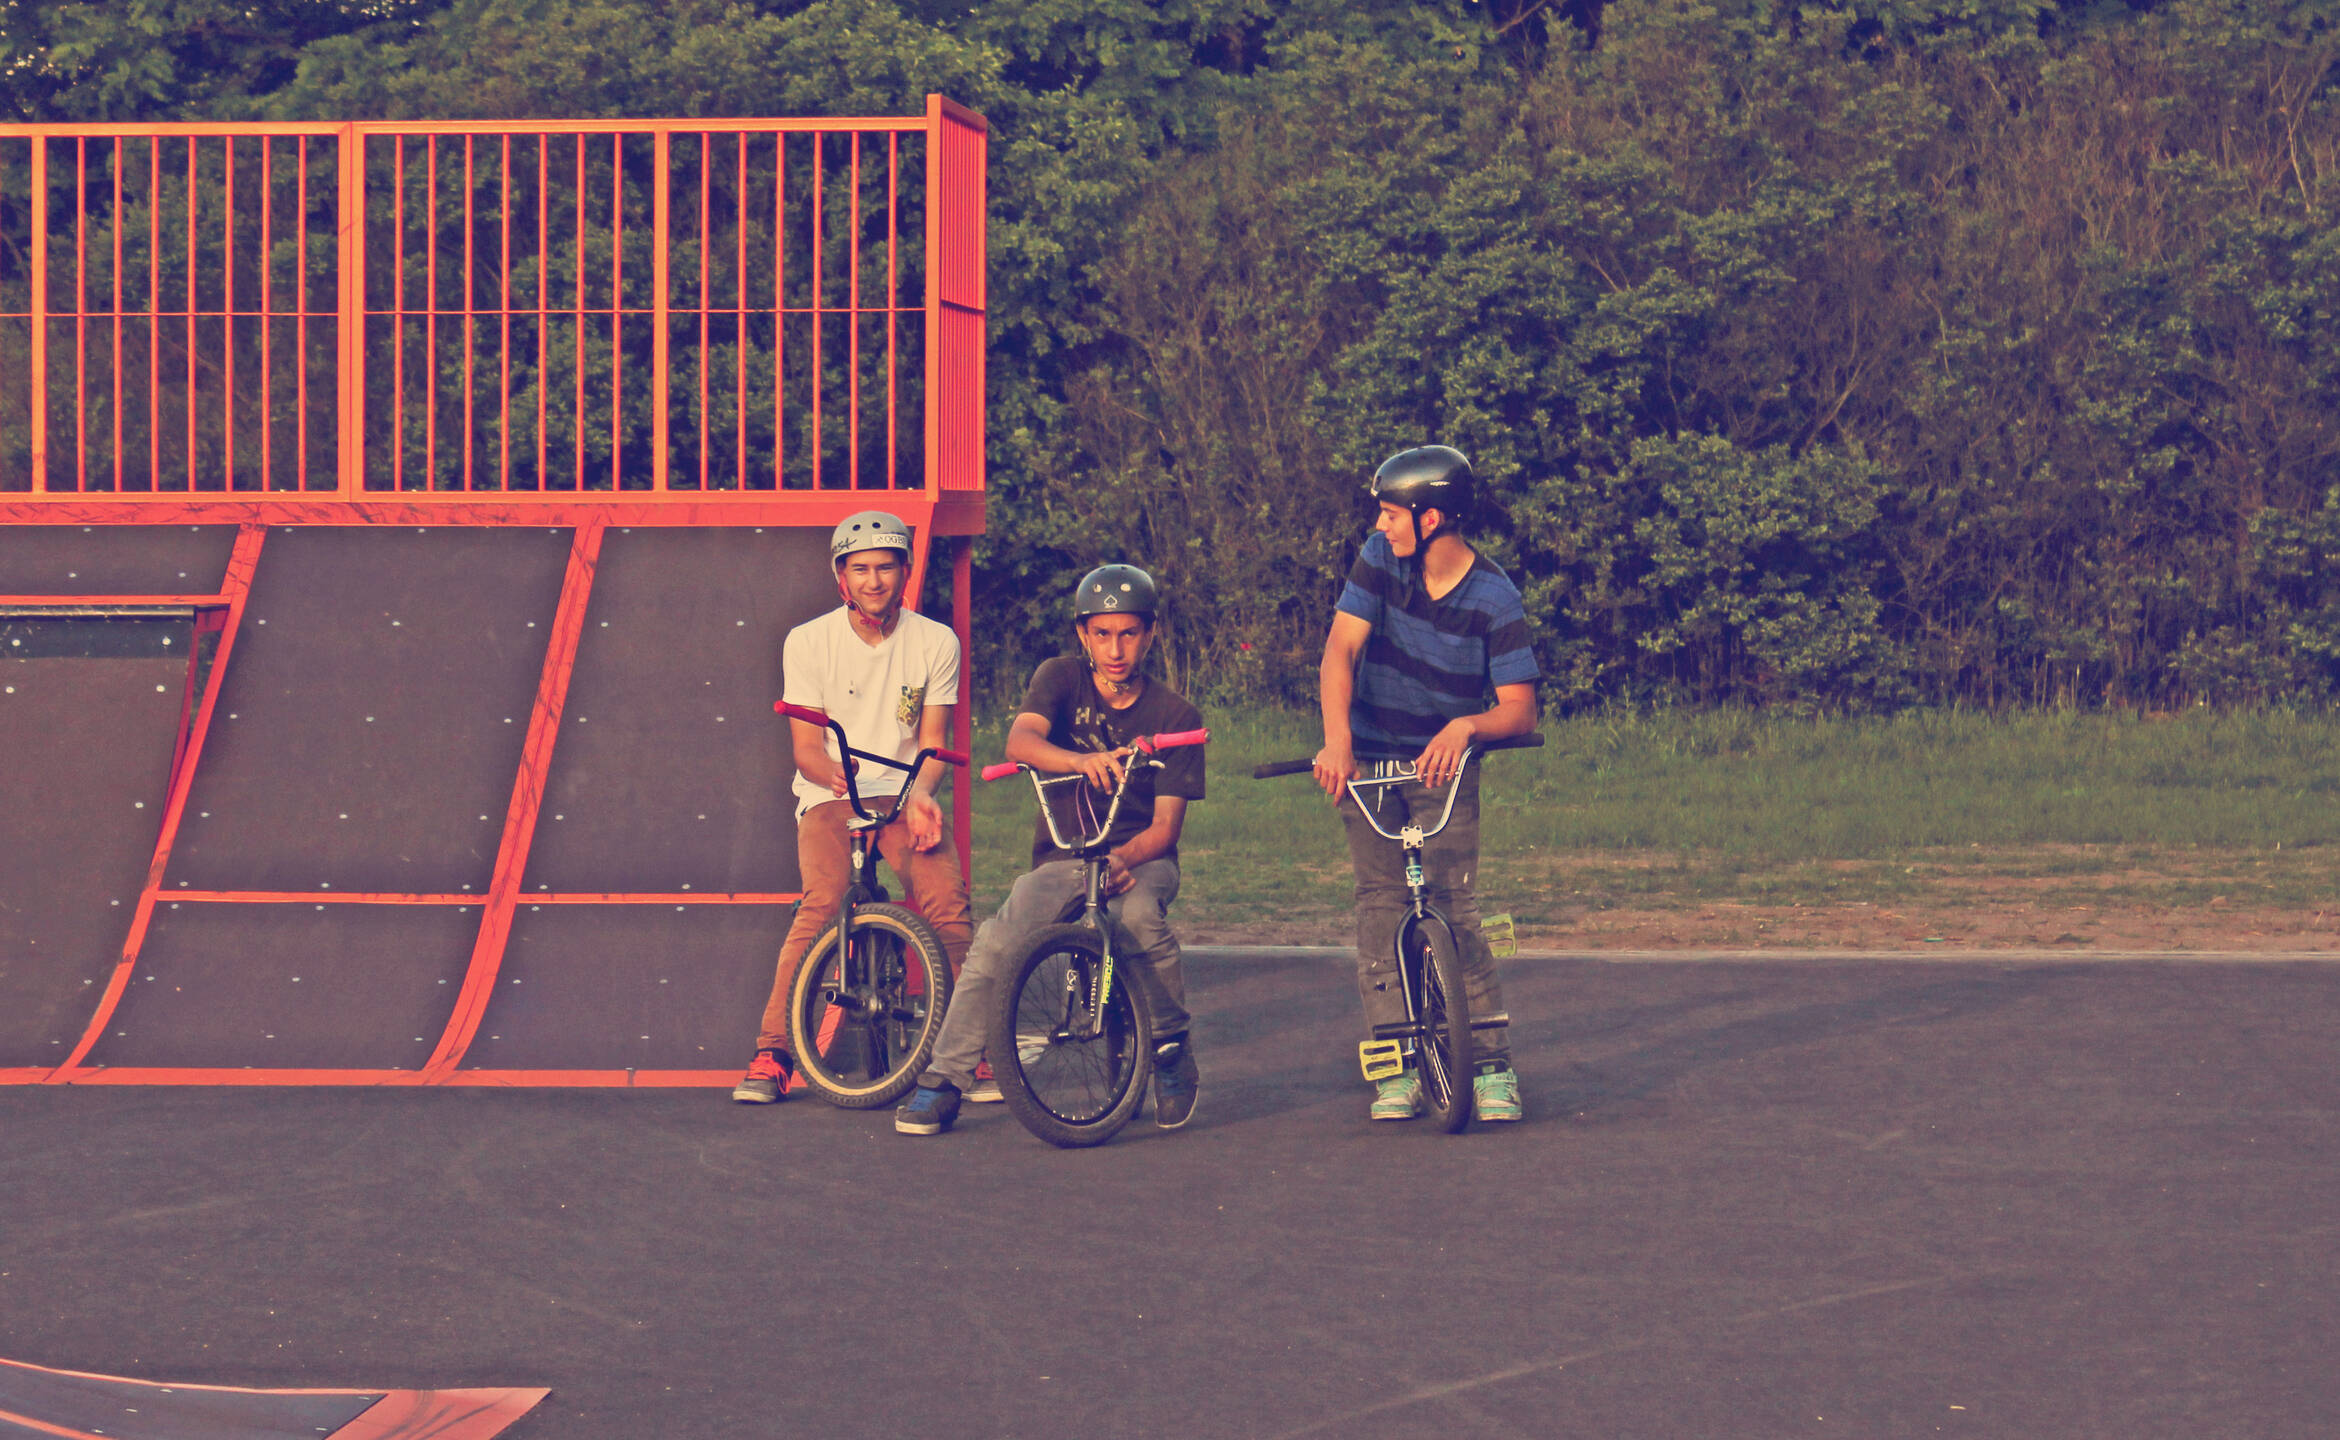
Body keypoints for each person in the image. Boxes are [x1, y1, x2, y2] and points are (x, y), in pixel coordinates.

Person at [894, 563, 1207, 1137]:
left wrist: (1124, 860)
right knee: (998, 940)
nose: (1115, 649)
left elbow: (1166, 829)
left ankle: (1169, 1047)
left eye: (1129, 633)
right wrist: (1079, 761)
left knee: (1140, 919)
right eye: (1102, 634)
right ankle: (944, 1079)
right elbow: (1021, 740)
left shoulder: (1175, 715)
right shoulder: (1060, 678)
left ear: (1151, 634)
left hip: (1141, 859)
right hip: (1068, 855)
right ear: (1083, 634)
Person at [1313, 445, 1539, 1123]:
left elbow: (1519, 709)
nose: (1381, 525)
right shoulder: (1380, 561)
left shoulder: (1494, 596)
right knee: (1380, 908)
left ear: (1431, 517)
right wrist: (1338, 740)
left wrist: (1466, 727)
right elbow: (1340, 649)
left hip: (1443, 768)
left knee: (1455, 908)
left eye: (1391, 513)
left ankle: (1491, 1066)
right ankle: (1397, 1067)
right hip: (1369, 762)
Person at [732, 511, 976, 1104]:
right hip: (832, 793)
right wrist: (835, 779)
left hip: (904, 793)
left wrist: (921, 795)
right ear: (840, 575)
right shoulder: (808, 641)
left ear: (905, 571)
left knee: (947, 904)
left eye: (885, 567)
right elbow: (806, 750)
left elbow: (932, 742)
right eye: (860, 569)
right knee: (822, 902)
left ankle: (971, 1051)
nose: (874, 581)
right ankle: (774, 1053)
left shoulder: (936, 641)